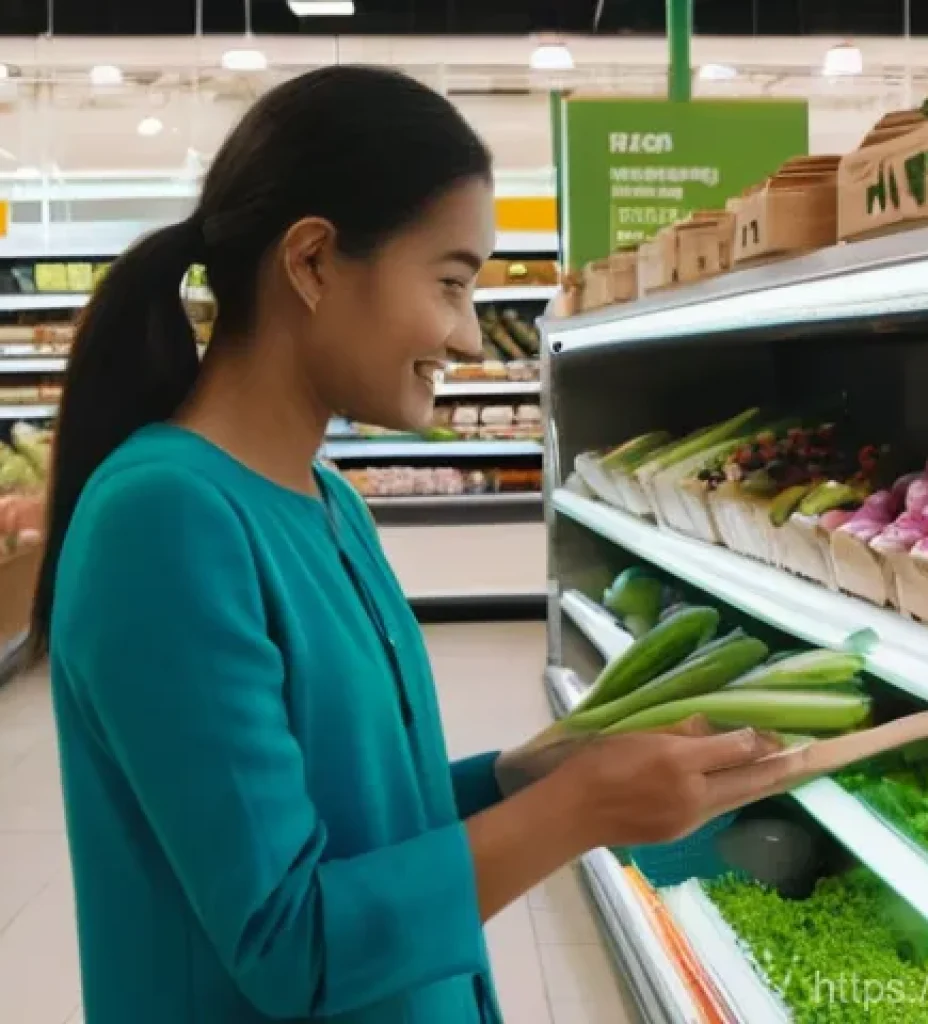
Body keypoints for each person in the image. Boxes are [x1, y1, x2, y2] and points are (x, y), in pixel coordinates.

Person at [32, 66, 804, 1024]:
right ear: (312, 262)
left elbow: (355, 817)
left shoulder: (329, 503)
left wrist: (524, 778)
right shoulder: (164, 522)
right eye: (449, 283)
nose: (473, 338)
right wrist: (578, 812)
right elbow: (291, 944)